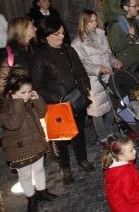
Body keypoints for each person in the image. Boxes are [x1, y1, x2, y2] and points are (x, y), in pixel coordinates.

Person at [29, 17, 95, 185]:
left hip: (77, 99)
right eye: (57, 34)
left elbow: (80, 70)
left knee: (79, 132)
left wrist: (85, 87)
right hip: (57, 105)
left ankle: (82, 159)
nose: (61, 37)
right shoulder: (39, 56)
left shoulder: (69, 50)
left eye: (63, 33)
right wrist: (57, 99)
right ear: (46, 36)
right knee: (61, 139)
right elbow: (37, 85)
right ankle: (65, 168)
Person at [0, 71, 58, 211]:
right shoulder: (4, 107)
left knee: (39, 169)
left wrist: (37, 99)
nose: (27, 95)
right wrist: (18, 102)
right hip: (19, 149)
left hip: (35, 143)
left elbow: (42, 113)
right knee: (25, 175)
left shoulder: (28, 101)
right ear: (12, 92)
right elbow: (14, 123)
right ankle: (31, 198)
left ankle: (42, 192)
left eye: (29, 91)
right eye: (23, 92)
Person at [72, 10, 122, 149]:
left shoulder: (101, 34)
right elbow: (82, 64)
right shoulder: (78, 43)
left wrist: (114, 61)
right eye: (91, 21)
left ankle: (110, 131)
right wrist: (99, 68)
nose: (94, 24)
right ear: (84, 23)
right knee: (97, 111)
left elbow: (109, 54)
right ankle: (102, 137)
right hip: (93, 81)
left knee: (111, 105)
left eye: (95, 20)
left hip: (108, 76)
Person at [107, 0, 139, 77]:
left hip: (137, 64)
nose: (137, 8)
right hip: (127, 67)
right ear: (126, 8)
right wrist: (130, 36)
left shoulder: (133, 20)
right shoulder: (117, 24)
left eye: (138, 6)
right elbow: (115, 47)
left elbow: (138, 40)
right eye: (134, 6)